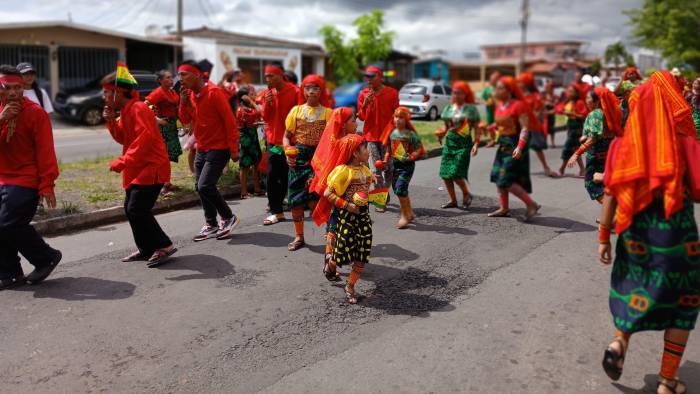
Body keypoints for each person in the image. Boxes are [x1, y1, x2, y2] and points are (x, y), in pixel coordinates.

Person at [598, 71, 699, 394]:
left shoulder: (620, 147)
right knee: (682, 304)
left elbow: (611, 194)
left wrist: (603, 237)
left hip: (635, 237)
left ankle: (619, 343)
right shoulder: (683, 143)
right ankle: (668, 381)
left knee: (633, 289)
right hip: (677, 238)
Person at [102, 67, 177, 266]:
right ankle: (146, 248)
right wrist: (110, 121)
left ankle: (164, 245)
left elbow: (143, 142)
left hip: (152, 166)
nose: (104, 96)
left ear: (118, 92)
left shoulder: (139, 108)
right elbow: (123, 138)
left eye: (107, 92)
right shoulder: (127, 110)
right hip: (139, 167)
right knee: (130, 208)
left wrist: (122, 162)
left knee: (137, 209)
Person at [0, 64, 61, 289]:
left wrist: (47, 185)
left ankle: (46, 257)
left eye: (18, 88)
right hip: (2, 178)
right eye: (8, 88)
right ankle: (9, 273)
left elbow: (46, 152)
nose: (14, 93)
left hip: (26, 179)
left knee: (8, 224)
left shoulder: (36, 113)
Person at [178, 60, 241, 241]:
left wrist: (234, 149)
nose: (180, 79)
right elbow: (185, 120)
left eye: (184, 74)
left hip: (219, 147)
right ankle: (211, 223)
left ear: (197, 75)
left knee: (205, 185)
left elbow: (229, 122)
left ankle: (228, 217)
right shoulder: (190, 94)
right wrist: (183, 102)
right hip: (202, 147)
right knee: (200, 187)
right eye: (179, 75)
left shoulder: (214, 93)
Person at [319, 133, 373, 304]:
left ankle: (350, 286)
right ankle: (330, 266)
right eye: (365, 148)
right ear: (355, 153)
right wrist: (347, 205)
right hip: (346, 218)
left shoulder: (366, 170)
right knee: (340, 253)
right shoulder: (343, 171)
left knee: (362, 253)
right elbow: (328, 193)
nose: (368, 151)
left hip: (363, 218)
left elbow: (368, 193)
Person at [283, 75, 332, 251]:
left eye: (316, 88)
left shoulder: (328, 113)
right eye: (308, 87)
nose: (311, 91)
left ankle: (330, 233)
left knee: (318, 199)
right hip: (298, 160)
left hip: (319, 160)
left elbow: (332, 140)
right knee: (295, 201)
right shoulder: (295, 111)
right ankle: (299, 236)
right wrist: (287, 151)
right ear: (303, 90)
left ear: (321, 91)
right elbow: (287, 137)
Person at [310, 107, 358, 281]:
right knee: (338, 227)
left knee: (334, 227)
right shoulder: (346, 143)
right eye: (353, 120)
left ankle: (331, 260)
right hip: (343, 194)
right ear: (343, 125)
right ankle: (331, 263)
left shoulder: (335, 141)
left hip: (335, 191)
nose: (357, 123)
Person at [488, 76, 541, 221]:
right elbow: (500, 124)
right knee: (498, 177)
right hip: (503, 146)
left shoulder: (518, 105)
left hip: (514, 146)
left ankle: (531, 204)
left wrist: (519, 147)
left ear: (509, 90)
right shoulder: (500, 106)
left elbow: (525, 128)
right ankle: (504, 208)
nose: (496, 90)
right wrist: (491, 127)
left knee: (506, 180)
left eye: (500, 88)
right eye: (496, 88)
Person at [566, 88, 621, 203]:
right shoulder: (607, 112)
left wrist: (576, 154)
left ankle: (614, 214)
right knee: (606, 185)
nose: (586, 100)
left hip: (596, 156)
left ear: (597, 101)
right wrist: (585, 137)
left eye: (588, 98)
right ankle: (611, 216)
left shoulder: (595, 114)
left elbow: (594, 138)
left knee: (592, 185)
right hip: (608, 154)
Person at [261, 64, 299, 225]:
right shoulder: (267, 94)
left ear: (281, 75)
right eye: (266, 76)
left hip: (290, 142)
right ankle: (276, 211)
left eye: (271, 76)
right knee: (271, 175)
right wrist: (267, 104)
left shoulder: (295, 92)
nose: (268, 79)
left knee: (284, 176)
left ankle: (280, 211)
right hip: (273, 141)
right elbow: (265, 117)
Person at [357, 65, 399, 212]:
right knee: (375, 170)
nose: (368, 80)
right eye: (366, 77)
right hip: (371, 136)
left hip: (388, 137)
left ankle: (384, 192)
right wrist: (365, 104)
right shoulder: (363, 94)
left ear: (380, 77)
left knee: (389, 169)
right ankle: (380, 200)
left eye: (371, 76)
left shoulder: (392, 93)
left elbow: (397, 114)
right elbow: (361, 117)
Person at [436, 81, 480, 209]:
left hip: (463, 144)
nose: (456, 95)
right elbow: (446, 126)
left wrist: (476, 144)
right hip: (450, 143)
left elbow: (477, 128)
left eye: (459, 93)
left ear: (465, 94)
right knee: (445, 174)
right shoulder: (449, 108)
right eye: (454, 93)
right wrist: (441, 134)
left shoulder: (471, 109)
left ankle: (466, 194)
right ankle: (453, 200)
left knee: (455, 173)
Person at [380, 107, 426, 229]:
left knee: (400, 189)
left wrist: (411, 156)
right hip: (396, 165)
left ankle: (405, 216)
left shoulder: (410, 134)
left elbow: (418, 149)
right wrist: (385, 160)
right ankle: (409, 212)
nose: (398, 120)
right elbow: (389, 150)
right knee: (398, 190)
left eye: (401, 117)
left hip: (407, 166)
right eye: (396, 117)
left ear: (406, 119)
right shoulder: (392, 133)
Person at [145, 69, 182, 194]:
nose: (170, 79)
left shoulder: (171, 91)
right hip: (162, 127)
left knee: (168, 156)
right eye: (167, 77)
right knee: (162, 157)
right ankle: (161, 185)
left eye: (171, 77)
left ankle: (166, 182)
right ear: (160, 81)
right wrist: (158, 120)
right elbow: (144, 107)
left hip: (171, 126)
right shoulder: (158, 92)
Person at [518, 72, 554, 177]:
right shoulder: (519, 96)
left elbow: (538, 112)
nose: (518, 84)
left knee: (537, 148)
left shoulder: (535, 96)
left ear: (526, 84)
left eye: (520, 82)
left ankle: (546, 167)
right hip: (521, 127)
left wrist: (531, 118)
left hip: (532, 127)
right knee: (520, 148)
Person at [235, 87, 264, 199]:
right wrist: (253, 102)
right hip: (246, 139)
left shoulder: (249, 109)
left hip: (252, 137)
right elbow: (259, 112)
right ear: (244, 97)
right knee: (245, 165)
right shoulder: (242, 110)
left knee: (256, 162)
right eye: (251, 94)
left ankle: (257, 189)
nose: (254, 96)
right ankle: (243, 192)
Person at [557, 85, 589, 177]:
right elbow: (559, 108)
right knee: (575, 149)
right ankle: (583, 170)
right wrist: (561, 110)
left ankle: (561, 169)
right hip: (570, 127)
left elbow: (583, 115)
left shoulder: (579, 102)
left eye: (571, 91)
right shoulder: (568, 101)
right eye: (568, 91)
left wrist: (572, 114)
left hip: (576, 128)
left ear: (576, 93)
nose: (569, 93)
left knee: (567, 148)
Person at [543, 80, 558, 147]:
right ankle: (544, 142)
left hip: (551, 114)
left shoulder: (554, 96)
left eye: (549, 87)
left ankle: (552, 142)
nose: (547, 88)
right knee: (544, 128)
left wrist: (549, 103)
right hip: (544, 115)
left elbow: (556, 105)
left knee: (552, 129)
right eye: (546, 87)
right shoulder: (543, 95)